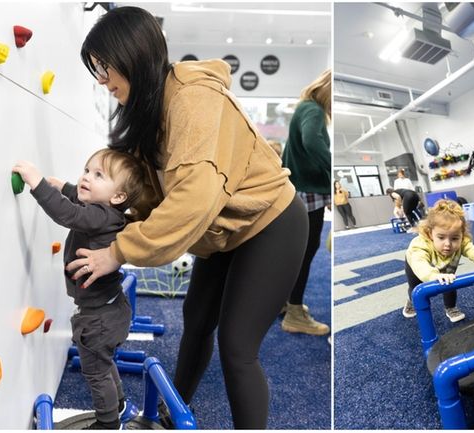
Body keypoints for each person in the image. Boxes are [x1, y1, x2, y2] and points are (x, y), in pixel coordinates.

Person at [70, 7, 309, 429]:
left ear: (133, 56)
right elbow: (143, 192)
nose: (103, 80)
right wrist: (78, 195)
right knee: (196, 321)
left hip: (271, 221)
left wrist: (119, 252)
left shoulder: (194, 99)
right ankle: (170, 414)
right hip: (220, 231)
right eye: (97, 70)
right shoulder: (148, 109)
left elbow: (192, 200)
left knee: (237, 347)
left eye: (105, 68)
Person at [12, 149, 145, 429]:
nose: (86, 177)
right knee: (103, 362)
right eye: (87, 170)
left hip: (97, 319)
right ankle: (118, 405)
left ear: (118, 197)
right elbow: (81, 202)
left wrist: (39, 184)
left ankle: (108, 422)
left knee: (95, 371)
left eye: (98, 175)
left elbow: (69, 214)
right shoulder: (108, 214)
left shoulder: (99, 217)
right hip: (108, 311)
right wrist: (65, 187)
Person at [281, 69, 332, 336]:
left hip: (301, 191)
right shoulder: (313, 110)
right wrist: (332, 169)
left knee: (295, 252)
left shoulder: (305, 108)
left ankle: (284, 302)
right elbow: (312, 142)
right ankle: (295, 313)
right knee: (304, 254)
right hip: (308, 193)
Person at [402, 200, 474, 322]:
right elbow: (419, 263)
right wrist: (433, 275)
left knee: (449, 282)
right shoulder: (420, 245)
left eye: (454, 238)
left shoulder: (462, 242)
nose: (448, 244)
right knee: (415, 287)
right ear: (430, 233)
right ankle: (411, 302)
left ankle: (451, 307)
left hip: (445, 268)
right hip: (416, 266)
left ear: (462, 235)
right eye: (441, 237)